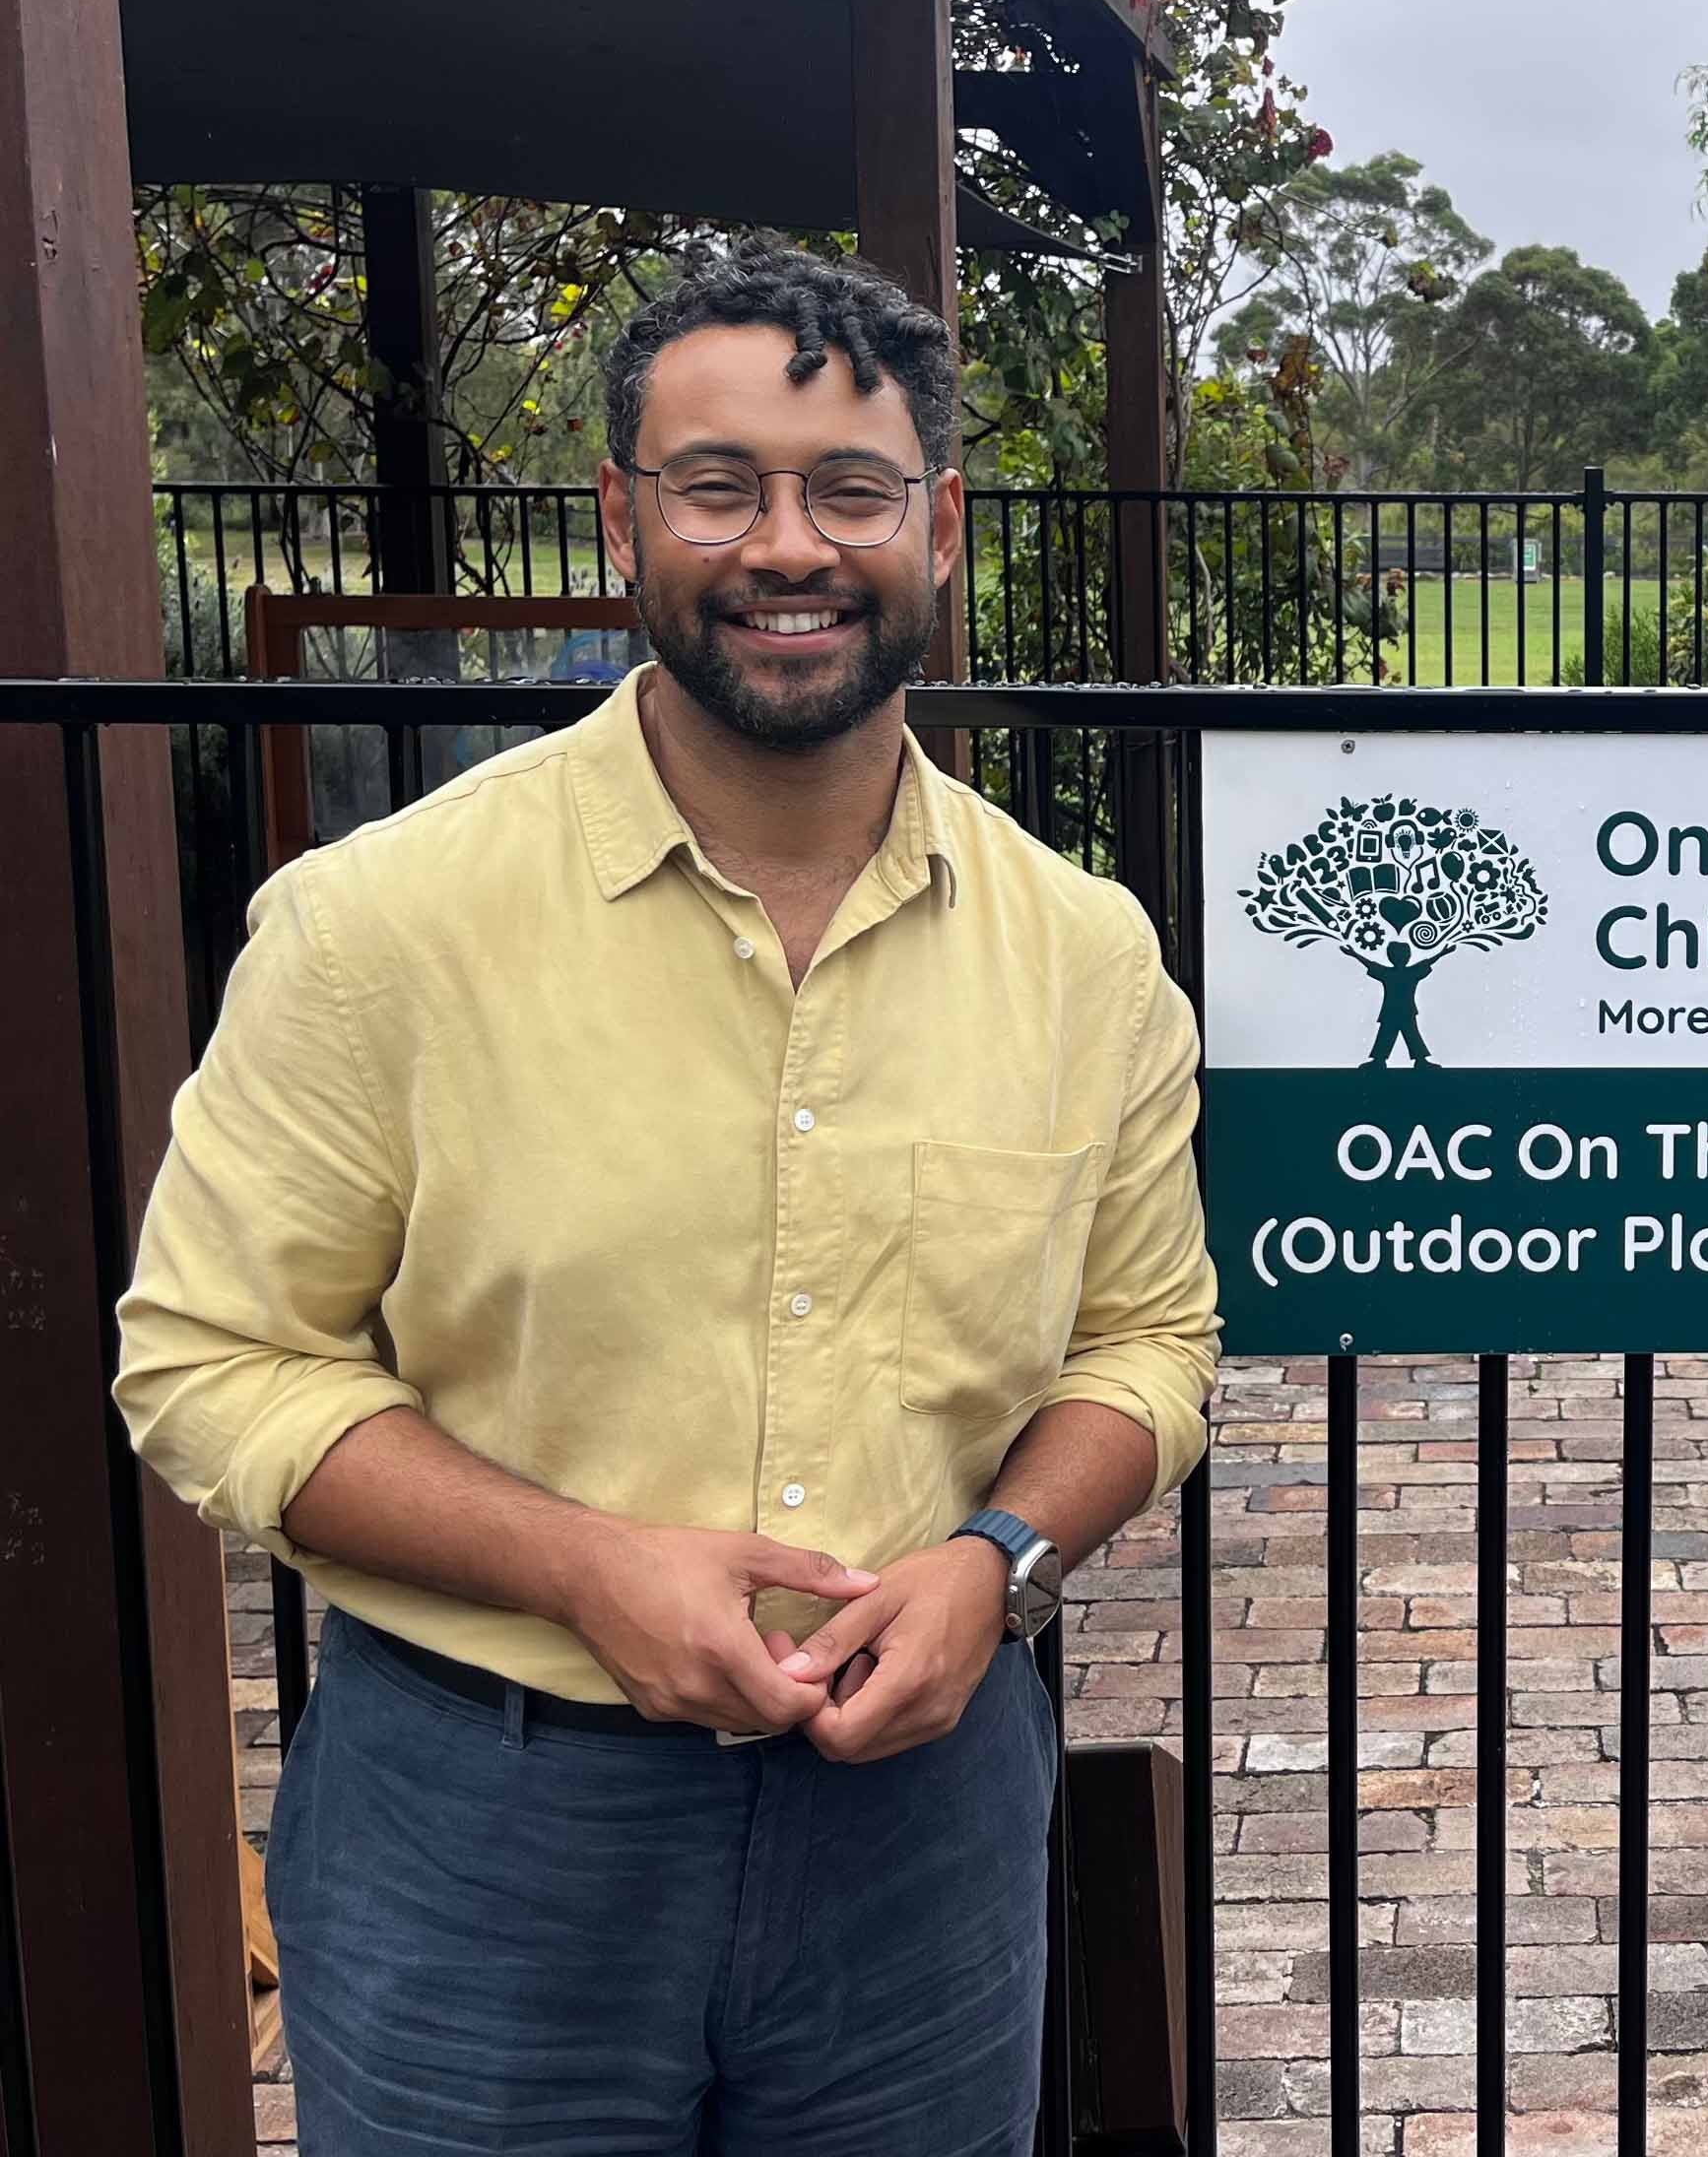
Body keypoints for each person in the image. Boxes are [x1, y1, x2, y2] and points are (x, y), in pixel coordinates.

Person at [116, 242, 1219, 2154]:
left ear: (941, 528)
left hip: (921, 1833)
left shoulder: (1084, 956)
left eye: (851, 490)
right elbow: (213, 1362)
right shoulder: (381, 930)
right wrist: (580, 1567)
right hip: (484, 1828)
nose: (787, 544)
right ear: (625, 519)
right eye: (719, 486)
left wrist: (999, 1561)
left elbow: (1149, 1344)